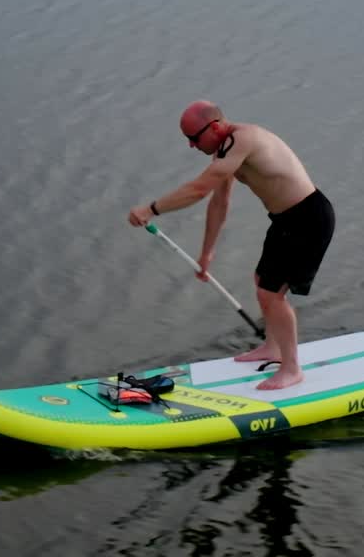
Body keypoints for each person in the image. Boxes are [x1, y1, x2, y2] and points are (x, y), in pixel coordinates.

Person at [127, 101, 335, 391]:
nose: (190, 145)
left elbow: (198, 190)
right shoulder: (225, 152)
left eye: (194, 138)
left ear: (214, 128)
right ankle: (273, 348)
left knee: (271, 294)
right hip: (285, 220)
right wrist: (206, 253)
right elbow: (218, 202)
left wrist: (152, 209)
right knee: (262, 282)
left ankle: (291, 369)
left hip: (309, 218)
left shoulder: (244, 140)